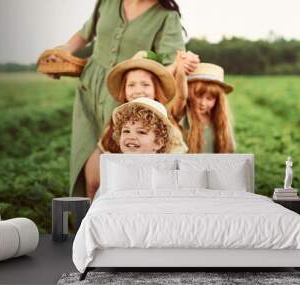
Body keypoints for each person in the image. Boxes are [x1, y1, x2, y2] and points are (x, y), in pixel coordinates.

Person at [42, 0, 199, 197]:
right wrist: (62, 52)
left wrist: (180, 64)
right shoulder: (107, 2)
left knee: (112, 167)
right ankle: (87, 221)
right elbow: (84, 33)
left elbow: (169, 66)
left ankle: (120, 218)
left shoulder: (166, 16)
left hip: (126, 96)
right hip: (89, 89)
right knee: (86, 161)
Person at [84, 51, 188, 199]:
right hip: (123, 183)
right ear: (124, 90)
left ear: (155, 89)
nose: (138, 90)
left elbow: (172, 167)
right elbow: (103, 153)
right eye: (131, 85)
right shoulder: (121, 119)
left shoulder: (164, 118)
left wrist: (180, 67)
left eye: (145, 84)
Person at [171, 63, 236, 153]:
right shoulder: (184, 115)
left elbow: (229, 150)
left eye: (209, 98)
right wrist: (181, 68)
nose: (203, 103)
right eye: (198, 96)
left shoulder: (220, 121)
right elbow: (181, 96)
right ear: (189, 93)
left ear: (218, 100)